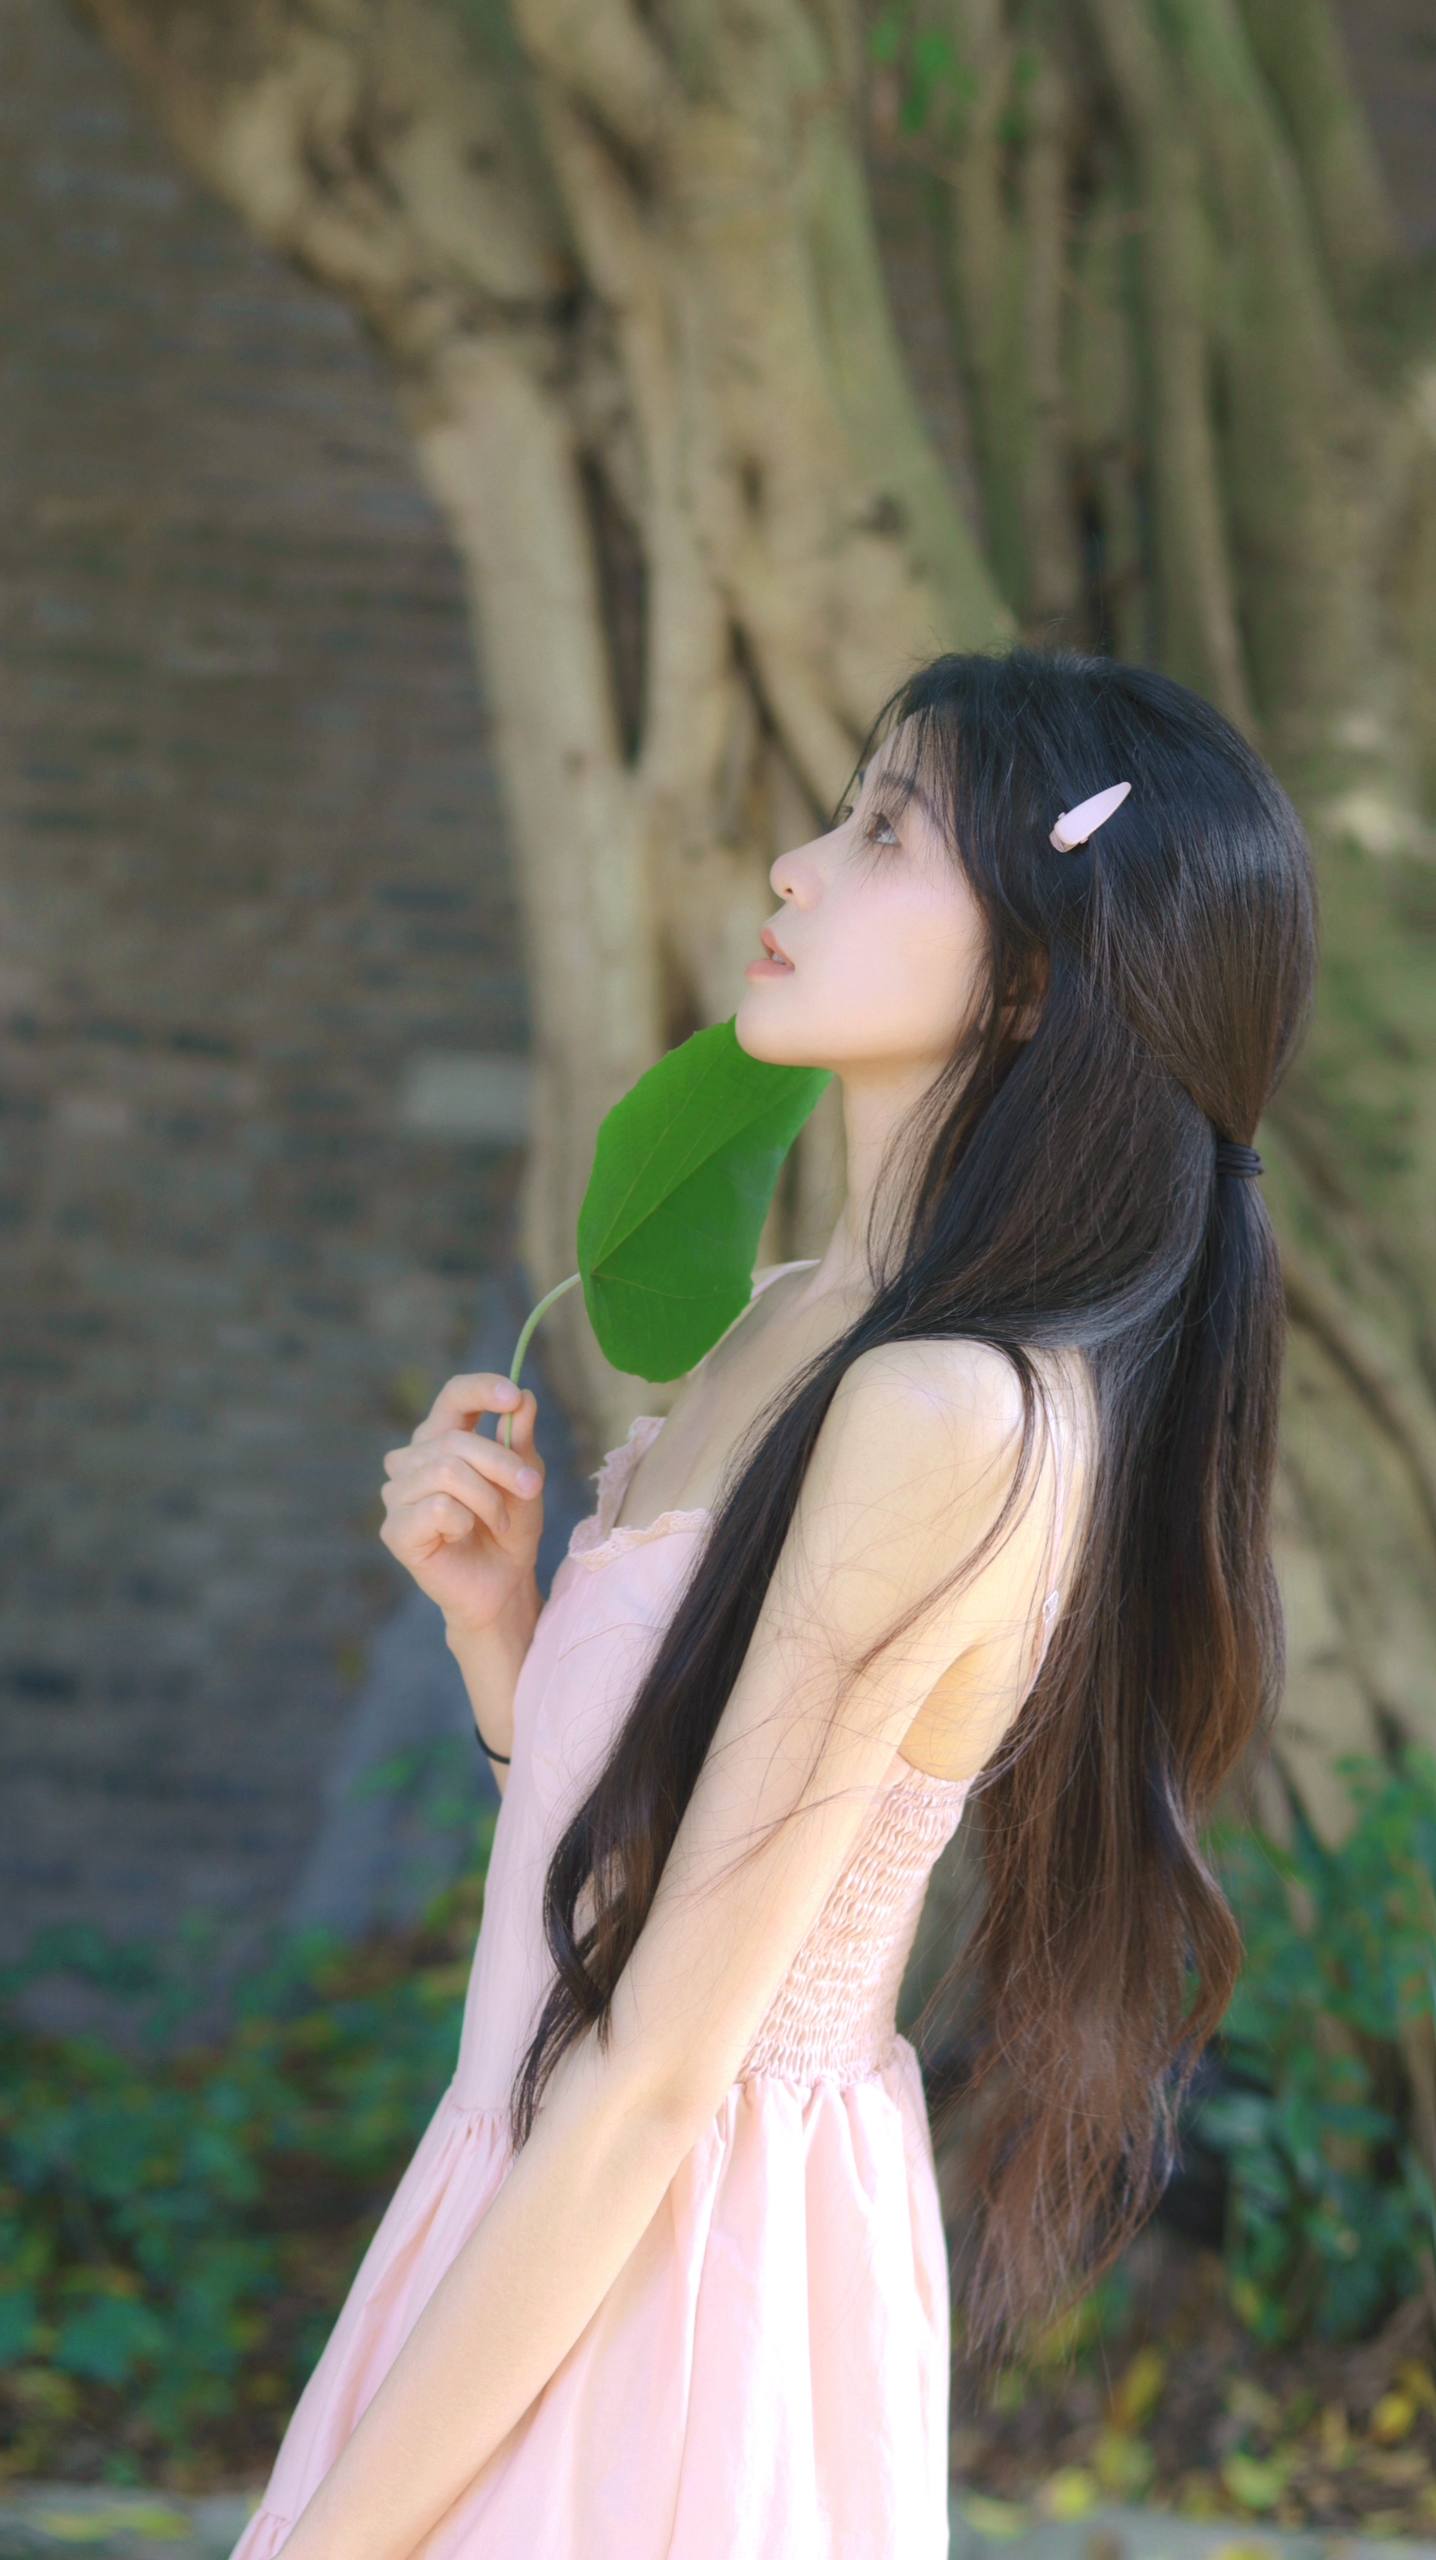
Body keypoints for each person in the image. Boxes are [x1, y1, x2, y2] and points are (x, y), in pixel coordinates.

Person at [229, 644, 1318, 2559]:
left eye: (886, 833)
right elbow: (648, 1879)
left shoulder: (948, 1410)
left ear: (1038, 973)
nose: (796, 867)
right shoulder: (791, 1321)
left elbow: (667, 2068)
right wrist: (502, 1635)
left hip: (663, 2270)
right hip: (548, 2192)